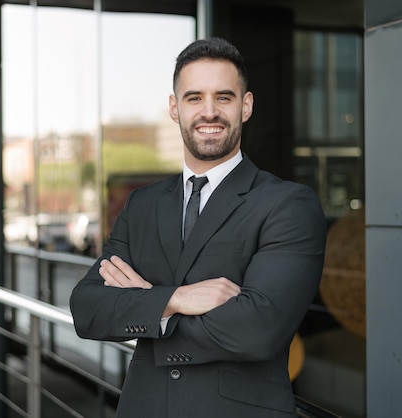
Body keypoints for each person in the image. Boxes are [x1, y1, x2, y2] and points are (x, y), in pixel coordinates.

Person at [69, 37, 326, 418]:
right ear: (175, 108)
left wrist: (147, 304)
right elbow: (87, 309)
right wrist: (175, 299)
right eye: (194, 98)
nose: (209, 112)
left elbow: (257, 330)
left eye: (224, 97)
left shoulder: (287, 205)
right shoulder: (143, 205)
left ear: (246, 106)